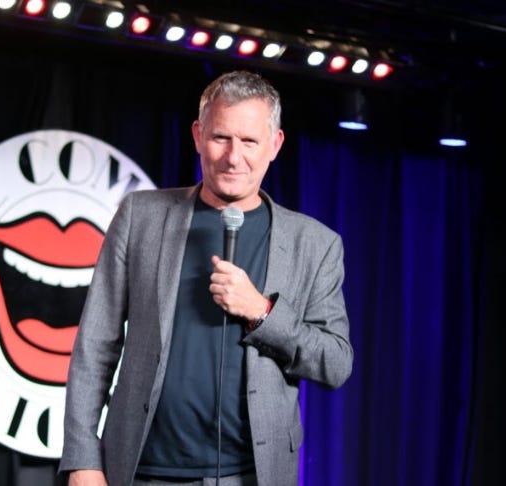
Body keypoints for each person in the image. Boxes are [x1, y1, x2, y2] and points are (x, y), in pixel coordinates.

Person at [58, 70, 353, 486]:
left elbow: (336, 362)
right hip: (142, 469)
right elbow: (95, 344)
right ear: (198, 136)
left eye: (249, 141)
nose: (234, 157)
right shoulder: (140, 216)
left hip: (249, 475)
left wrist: (262, 312)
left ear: (275, 145)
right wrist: (83, 459)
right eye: (221, 138)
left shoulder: (315, 244)